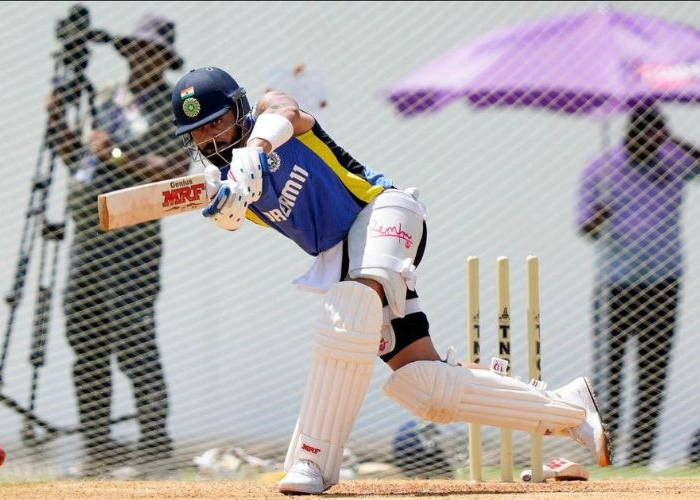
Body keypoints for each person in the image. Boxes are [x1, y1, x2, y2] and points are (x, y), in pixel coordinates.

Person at [171, 66, 611, 495]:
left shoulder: (273, 119)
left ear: (240, 108)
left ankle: (312, 460)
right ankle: (571, 410)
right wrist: (226, 203)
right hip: (345, 257)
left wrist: (257, 147)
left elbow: (282, 106)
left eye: (219, 123)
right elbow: (239, 205)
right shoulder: (236, 188)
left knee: (349, 307)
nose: (211, 139)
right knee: (424, 384)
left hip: (382, 211)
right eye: (198, 133)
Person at [47, 13, 190, 477]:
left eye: (151, 51)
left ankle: (154, 450)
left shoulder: (175, 108)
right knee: (85, 340)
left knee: (133, 340)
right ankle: (98, 450)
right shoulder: (105, 97)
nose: (140, 57)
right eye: (135, 49)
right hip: (88, 235)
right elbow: (79, 160)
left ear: (164, 59)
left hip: (133, 242)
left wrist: (113, 151)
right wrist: (58, 124)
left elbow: (171, 172)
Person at [577, 105, 700, 466]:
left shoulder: (673, 160)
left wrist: (671, 141)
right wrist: (600, 216)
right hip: (615, 283)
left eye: (655, 137)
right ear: (627, 135)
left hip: (663, 282)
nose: (647, 145)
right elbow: (585, 226)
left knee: (653, 372)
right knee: (608, 373)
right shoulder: (602, 167)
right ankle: (607, 456)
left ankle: (641, 458)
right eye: (641, 137)